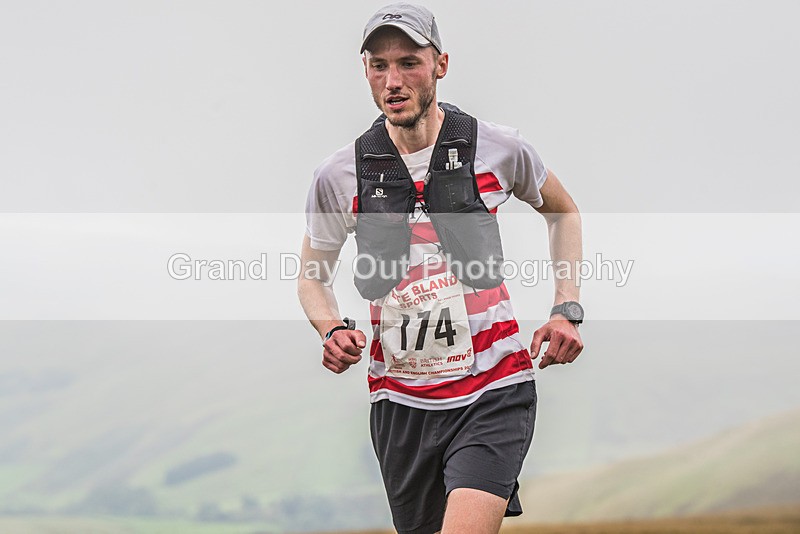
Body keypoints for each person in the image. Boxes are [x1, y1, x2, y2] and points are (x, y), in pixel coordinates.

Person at [298, 4, 584, 533]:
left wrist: (566, 308)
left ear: (440, 64)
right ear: (365, 72)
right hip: (400, 403)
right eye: (379, 65)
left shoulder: (498, 148)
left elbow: (563, 211)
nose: (393, 80)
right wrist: (330, 327)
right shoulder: (339, 174)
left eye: (409, 62)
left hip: (494, 389)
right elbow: (312, 275)